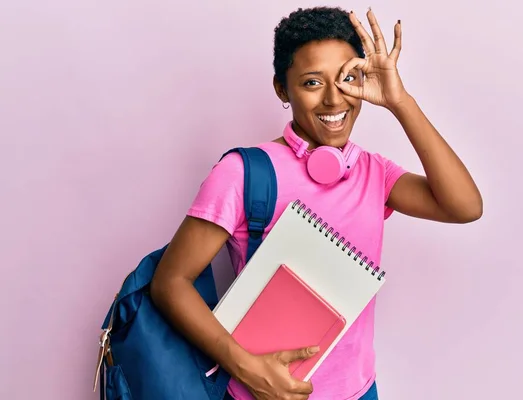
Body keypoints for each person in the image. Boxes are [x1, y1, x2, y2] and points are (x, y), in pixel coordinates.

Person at [150, 6, 482, 400]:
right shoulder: (243, 173)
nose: (333, 100)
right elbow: (170, 283)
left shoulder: (373, 172)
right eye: (311, 82)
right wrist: (245, 367)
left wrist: (400, 101)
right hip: (260, 393)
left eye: (347, 79)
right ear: (281, 89)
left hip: (360, 392)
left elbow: (465, 207)